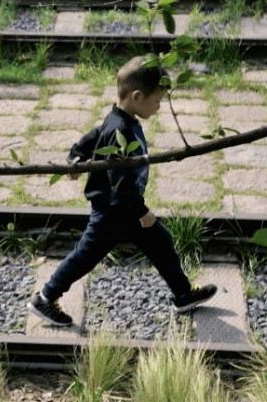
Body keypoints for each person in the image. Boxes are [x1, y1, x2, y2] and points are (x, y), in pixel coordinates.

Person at [28, 55, 216, 326]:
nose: (159, 107)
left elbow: (90, 139)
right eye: (157, 101)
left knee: (161, 242)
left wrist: (76, 157)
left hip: (125, 209)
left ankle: (183, 294)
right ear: (137, 97)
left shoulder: (117, 119)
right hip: (114, 211)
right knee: (85, 256)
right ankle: (46, 298)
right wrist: (141, 210)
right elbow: (121, 182)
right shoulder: (121, 130)